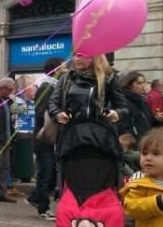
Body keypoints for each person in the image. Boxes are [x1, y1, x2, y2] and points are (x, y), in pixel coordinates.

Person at [48, 53, 128, 206]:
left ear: (95, 58)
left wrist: (116, 113)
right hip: (71, 137)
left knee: (99, 179)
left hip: (100, 139)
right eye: (76, 55)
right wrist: (58, 114)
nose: (77, 58)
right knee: (72, 179)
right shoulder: (66, 79)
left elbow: (123, 107)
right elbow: (53, 103)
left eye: (83, 55)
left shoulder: (109, 78)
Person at [27, 57, 65, 220]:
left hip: (52, 138)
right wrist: (56, 116)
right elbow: (40, 111)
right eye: (63, 68)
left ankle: (35, 198)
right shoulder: (46, 86)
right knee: (45, 173)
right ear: (56, 70)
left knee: (51, 174)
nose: (66, 70)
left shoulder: (57, 87)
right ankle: (43, 208)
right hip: (43, 138)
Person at [0, 77, 22, 203]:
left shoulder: (8, 101)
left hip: (6, 138)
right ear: (2, 88)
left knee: (5, 167)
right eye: (9, 89)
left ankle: (2, 192)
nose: (11, 92)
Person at [119, 71, 157, 141]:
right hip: (133, 143)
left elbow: (148, 121)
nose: (142, 86)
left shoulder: (142, 101)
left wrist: (158, 119)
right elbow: (123, 126)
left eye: (144, 83)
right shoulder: (124, 101)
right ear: (130, 85)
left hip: (145, 141)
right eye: (139, 83)